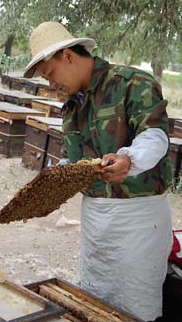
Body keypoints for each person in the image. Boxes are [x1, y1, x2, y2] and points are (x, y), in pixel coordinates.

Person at [24, 21, 173, 321]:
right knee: (94, 302)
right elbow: (75, 163)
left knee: (136, 307)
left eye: (50, 74)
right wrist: (42, 192)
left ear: (67, 56)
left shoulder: (132, 83)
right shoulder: (71, 107)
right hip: (95, 223)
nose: (51, 84)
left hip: (138, 224)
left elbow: (155, 136)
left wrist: (130, 160)